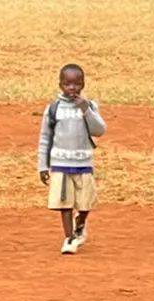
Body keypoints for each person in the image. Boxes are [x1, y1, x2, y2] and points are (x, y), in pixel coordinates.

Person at [37, 64, 106, 255]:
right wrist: (43, 166)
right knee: (64, 203)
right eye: (67, 84)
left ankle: (81, 222)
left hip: (83, 164)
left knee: (86, 203)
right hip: (60, 163)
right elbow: (44, 138)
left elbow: (99, 130)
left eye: (76, 84)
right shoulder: (53, 109)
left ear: (83, 84)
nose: (72, 88)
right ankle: (69, 238)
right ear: (60, 85)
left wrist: (86, 109)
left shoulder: (89, 106)